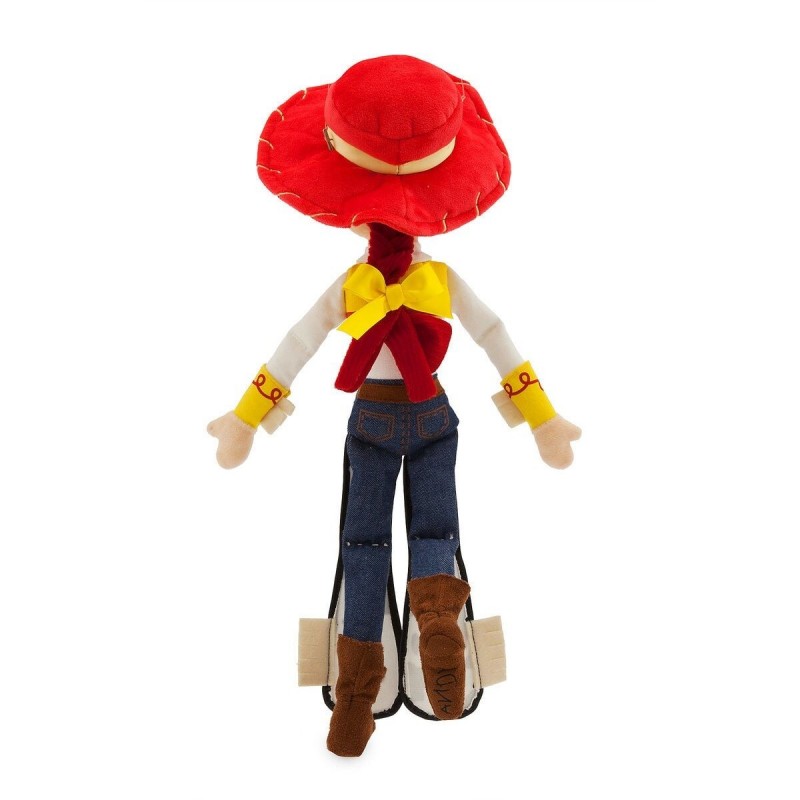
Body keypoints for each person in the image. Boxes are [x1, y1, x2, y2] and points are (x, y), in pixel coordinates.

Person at [208, 55, 580, 757]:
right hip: (435, 414)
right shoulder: (441, 278)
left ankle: (356, 693)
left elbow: (297, 343)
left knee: (363, 544)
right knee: (438, 530)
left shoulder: (352, 284)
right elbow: (494, 335)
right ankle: (440, 629)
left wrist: (245, 418)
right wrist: (542, 418)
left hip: (371, 418)